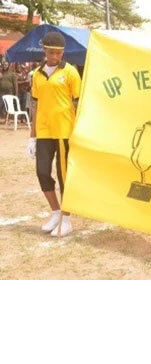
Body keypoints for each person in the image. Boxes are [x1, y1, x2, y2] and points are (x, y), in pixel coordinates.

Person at [27, 31, 81, 237]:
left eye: (58, 53)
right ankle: (56, 212)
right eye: (51, 52)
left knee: (64, 175)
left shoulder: (70, 72)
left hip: (65, 132)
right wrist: (32, 136)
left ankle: (66, 220)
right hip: (43, 132)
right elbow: (36, 105)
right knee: (42, 172)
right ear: (45, 51)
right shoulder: (37, 74)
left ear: (63, 52)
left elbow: (79, 102)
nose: (55, 56)